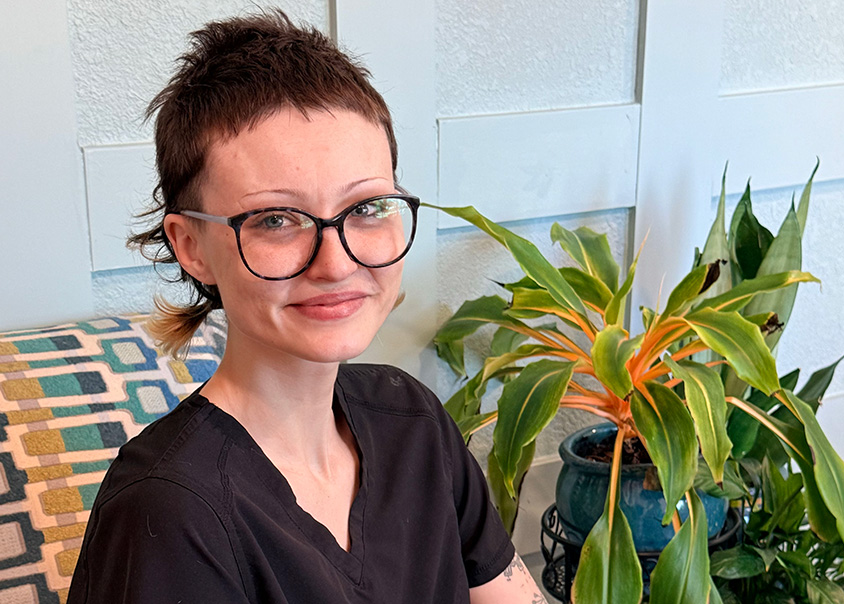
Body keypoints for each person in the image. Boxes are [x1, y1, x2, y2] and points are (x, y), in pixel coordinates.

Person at [67, 10, 548, 604]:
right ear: (191, 247)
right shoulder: (169, 513)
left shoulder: (410, 419)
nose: (336, 263)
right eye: (275, 220)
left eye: (367, 208)